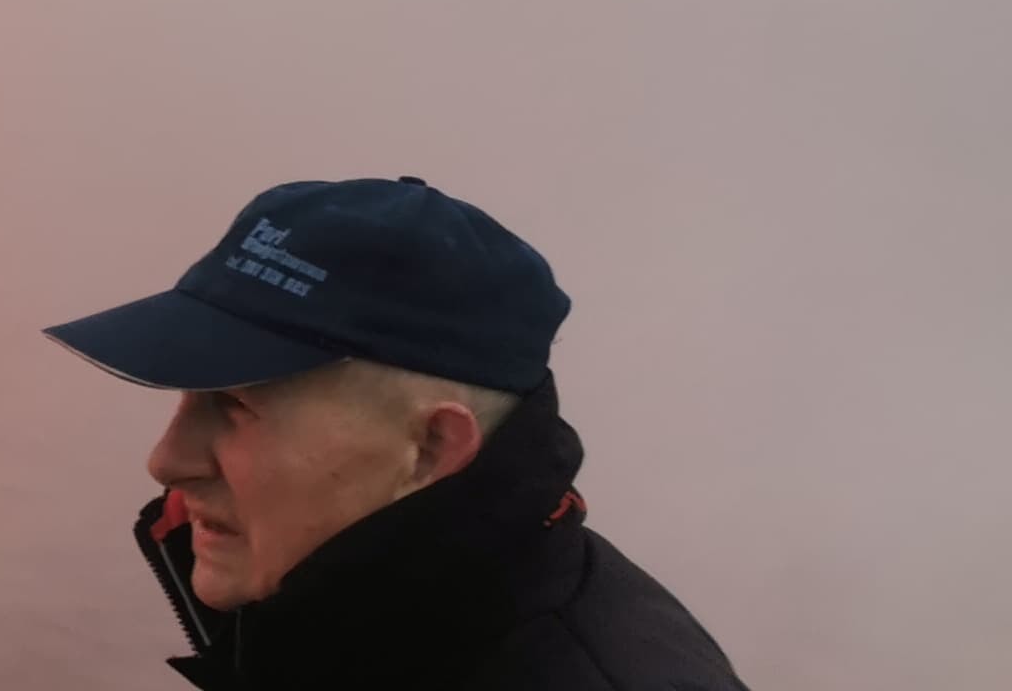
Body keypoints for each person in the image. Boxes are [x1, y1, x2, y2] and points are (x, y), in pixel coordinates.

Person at [45, 176, 746, 690]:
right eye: (188, 398)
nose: (166, 460)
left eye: (234, 406)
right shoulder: (346, 616)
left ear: (431, 448)